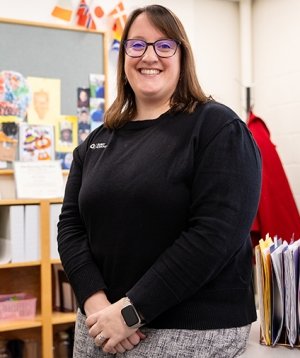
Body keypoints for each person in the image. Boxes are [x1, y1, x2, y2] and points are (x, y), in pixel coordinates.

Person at [57, 4, 262, 358]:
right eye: (136, 45)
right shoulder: (96, 141)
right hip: (98, 328)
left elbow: (215, 235)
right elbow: (71, 228)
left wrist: (130, 312)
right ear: (123, 57)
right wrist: (95, 305)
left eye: (164, 45)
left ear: (182, 56)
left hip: (189, 331)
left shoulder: (218, 129)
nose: (149, 55)